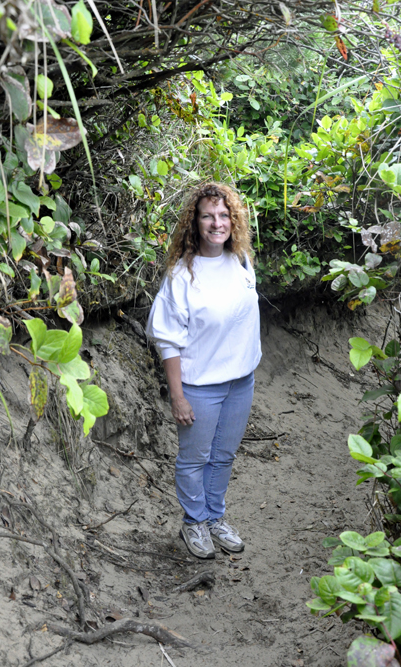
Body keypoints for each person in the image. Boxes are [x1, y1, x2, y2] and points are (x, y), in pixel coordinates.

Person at [146, 183, 261, 559]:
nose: (217, 223)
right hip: (199, 386)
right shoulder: (181, 276)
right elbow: (167, 340)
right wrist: (177, 396)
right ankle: (193, 522)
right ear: (194, 222)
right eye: (208, 215)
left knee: (224, 456)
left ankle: (214, 518)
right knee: (194, 458)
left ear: (234, 220)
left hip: (241, 381)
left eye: (224, 215)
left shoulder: (242, 259)